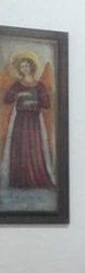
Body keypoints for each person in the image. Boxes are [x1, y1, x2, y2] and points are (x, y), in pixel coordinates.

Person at [2, 53, 54, 188]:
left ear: (32, 67)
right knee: (21, 148)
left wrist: (39, 97)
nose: (25, 68)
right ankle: (20, 180)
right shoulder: (17, 85)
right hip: (20, 120)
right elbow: (7, 100)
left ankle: (36, 178)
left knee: (34, 147)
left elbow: (46, 104)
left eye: (27, 65)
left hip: (34, 121)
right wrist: (17, 94)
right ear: (19, 69)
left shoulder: (39, 85)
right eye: (22, 66)